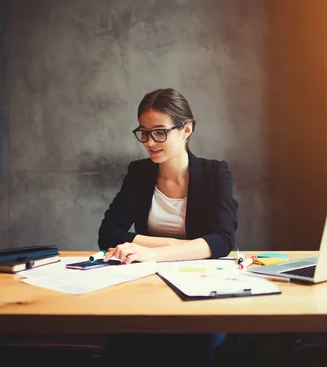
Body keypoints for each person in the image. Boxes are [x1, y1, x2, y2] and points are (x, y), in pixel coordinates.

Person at [98, 88, 238, 367]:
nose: (150, 141)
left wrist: (152, 252)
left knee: (189, 345)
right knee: (125, 344)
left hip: (199, 286)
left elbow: (223, 241)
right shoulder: (139, 173)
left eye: (160, 132)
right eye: (144, 132)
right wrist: (183, 246)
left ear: (186, 129)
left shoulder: (215, 173)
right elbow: (108, 235)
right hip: (145, 287)